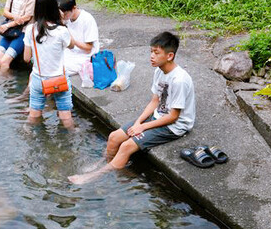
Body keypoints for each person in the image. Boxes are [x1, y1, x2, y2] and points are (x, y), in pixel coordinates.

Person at [69, 31, 195, 184]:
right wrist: (138, 123)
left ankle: (93, 176)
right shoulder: (159, 71)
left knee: (126, 146)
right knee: (114, 137)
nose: (152, 56)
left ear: (170, 56)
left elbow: (174, 116)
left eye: (156, 53)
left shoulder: (179, 80)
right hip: (159, 116)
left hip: (175, 126)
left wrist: (143, 127)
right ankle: (105, 163)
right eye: (151, 52)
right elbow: (155, 101)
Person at [23, 0, 76, 129]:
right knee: (65, 115)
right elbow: (72, 45)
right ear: (55, 8)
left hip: (39, 79)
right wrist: (63, 22)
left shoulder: (30, 29)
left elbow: (26, 58)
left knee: (34, 114)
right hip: (59, 80)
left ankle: (27, 134)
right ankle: (71, 139)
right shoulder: (61, 31)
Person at [57, 0, 99, 76]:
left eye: (65, 14)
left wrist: (70, 38)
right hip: (69, 52)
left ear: (74, 8)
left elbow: (88, 48)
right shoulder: (65, 19)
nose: (63, 16)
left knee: (58, 70)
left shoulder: (87, 19)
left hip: (84, 56)